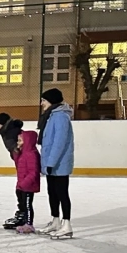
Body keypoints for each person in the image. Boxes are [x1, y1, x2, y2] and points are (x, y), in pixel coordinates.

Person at [37, 88, 75, 239]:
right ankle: (56, 221)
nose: (42, 103)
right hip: (51, 163)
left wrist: (51, 162)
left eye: (44, 100)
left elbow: (58, 142)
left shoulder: (60, 117)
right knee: (52, 193)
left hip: (59, 163)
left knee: (61, 193)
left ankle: (67, 224)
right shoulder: (51, 116)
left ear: (51, 101)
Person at [0, 112, 25, 229]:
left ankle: (24, 217)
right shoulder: (7, 131)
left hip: (24, 164)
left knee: (23, 189)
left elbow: (19, 149)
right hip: (20, 163)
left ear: (3, 124)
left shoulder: (11, 132)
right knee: (20, 189)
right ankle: (22, 214)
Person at [12, 129, 41, 234]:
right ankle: (24, 222)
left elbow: (33, 172)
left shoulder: (32, 154)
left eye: (20, 141)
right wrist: (16, 153)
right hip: (21, 185)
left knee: (28, 205)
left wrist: (24, 183)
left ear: (27, 141)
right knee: (23, 204)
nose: (18, 143)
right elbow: (19, 165)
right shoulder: (23, 153)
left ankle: (29, 224)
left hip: (28, 186)